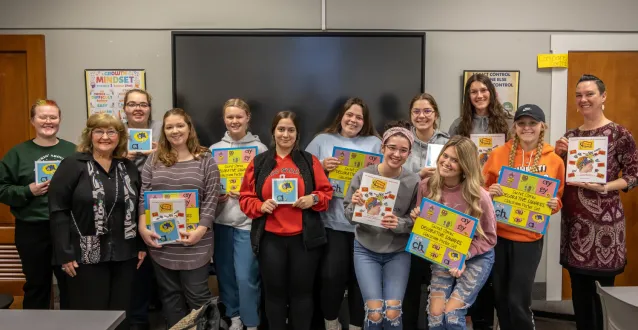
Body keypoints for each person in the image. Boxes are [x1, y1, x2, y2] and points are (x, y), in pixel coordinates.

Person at [554, 74, 638, 330]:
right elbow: (559, 176)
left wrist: (606, 186)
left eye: (589, 94)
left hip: (605, 227)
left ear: (603, 96)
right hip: (575, 225)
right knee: (579, 293)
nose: (583, 99)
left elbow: (634, 175)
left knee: (601, 295)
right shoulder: (570, 137)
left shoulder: (620, 134)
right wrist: (558, 155)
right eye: (579, 95)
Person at [48, 113, 144, 330]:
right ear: (89, 135)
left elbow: (138, 207)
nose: (105, 137)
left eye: (111, 132)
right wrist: (64, 253)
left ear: (119, 137)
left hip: (124, 251)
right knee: (90, 315)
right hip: (85, 252)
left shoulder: (126, 166)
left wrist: (140, 246)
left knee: (121, 313)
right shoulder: (73, 164)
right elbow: (58, 210)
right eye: (99, 131)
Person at [239, 111, 333, 330]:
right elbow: (245, 198)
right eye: (281, 129)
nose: (285, 134)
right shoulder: (260, 162)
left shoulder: (310, 161)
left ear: (297, 133)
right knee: (274, 295)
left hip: (304, 240)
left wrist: (313, 198)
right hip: (270, 240)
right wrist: (260, 206)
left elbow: (326, 194)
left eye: (291, 130)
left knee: (302, 294)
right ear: (273, 131)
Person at [482, 104, 565, 330]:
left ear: (542, 126)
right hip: (498, 236)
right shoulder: (498, 154)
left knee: (518, 299)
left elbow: (557, 198)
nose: (527, 128)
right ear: (515, 127)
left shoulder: (554, 160)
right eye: (521, 123)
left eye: (532, 123)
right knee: (500, 296)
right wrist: (490, 192)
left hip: (529, 238)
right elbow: (480, 189)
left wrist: (553, 204)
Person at [138, 108, 221, 328]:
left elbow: (212, 199)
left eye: (180, 125)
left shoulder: (205, 159)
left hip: (196, 242)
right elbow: (143, 196)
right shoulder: (153, 160)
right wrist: (143, 227)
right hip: (161, 241)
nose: (175, 131)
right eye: (169, 127)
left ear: (189, 128)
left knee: (198, 296)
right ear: (163, 131)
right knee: (170, 296)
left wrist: (200, 230)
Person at [305, 97, 381, 330]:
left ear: (365, 121)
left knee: (362, 280)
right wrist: (321, 167)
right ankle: (331, 323)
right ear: (341, 116)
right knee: (331, 277)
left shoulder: (376, 143)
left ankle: (357, 325)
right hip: (333, 222)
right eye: (350, 115)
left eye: (359, 117)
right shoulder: (322, 140)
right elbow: (302, 175)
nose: (354, 120)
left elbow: (388, 177)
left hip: (365, 224)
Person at [411, 136, 497, 330]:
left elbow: (489, 238)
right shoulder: (426, 186)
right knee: (435, 315)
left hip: (476, 255)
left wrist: (463, 256)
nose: (447, 162)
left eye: (455, 160)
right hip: (444, 254)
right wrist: (417, 220)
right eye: (446, 156)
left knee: (452, 313)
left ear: (465, 166)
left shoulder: (479, 196)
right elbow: (425, 230)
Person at [344, 121, 419, 330]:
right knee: (375, 312)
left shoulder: (414, 182)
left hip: (398, 251)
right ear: (382, 148)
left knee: (393, 311)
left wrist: (400, 223)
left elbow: (417, 221)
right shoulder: (363, 176)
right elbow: (349, 215)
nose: (397, 154)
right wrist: (357, 206)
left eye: (403, 150)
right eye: (392, 148)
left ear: (409, 153)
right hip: (366, 250)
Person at [0, 99, 75, 310]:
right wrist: (27, 191)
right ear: (33, 120)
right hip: (31, 228)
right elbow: (1, 189)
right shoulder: (17, 153)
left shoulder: (73, 151)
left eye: (53, 117)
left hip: (67, 228)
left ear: (59, 120)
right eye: (43, 116)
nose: (48, 121)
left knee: (71, 285)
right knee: (36, 286)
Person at [210, 98, 268, 330]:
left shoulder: (260, 149)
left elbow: (266, 188)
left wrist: (249, 193)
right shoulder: (214, 150)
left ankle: (251, 321)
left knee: (246, 277)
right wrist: (217, 194)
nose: (234, 121)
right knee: (225, 274)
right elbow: (207, 187)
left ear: (247, 118)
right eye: (230, 117)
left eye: (238, 116)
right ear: (224, 119)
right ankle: (233, 316)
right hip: (221, 220)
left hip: (248, 222)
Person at [402, 93, 449, 330]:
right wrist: (416, 176)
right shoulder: (402, 143)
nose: (422, 116)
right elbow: (391, 180)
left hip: (439, 226)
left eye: (427, 111)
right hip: (406, 225)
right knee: (409, 286)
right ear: (411, 116)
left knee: (437, 286)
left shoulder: (448, 143)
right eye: (416, 112)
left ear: (436, 114)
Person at [122, 88, 162, 330]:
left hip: (158, 200)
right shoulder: (114, 132)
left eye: (143, 104)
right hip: (124, 203)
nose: (138, 108)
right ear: (124, 108)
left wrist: (161, 152)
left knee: (158, 254)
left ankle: (157, 308)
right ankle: (136, 316)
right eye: (132, 104)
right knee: (135, 261)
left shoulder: (162, 128)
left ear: (149, 107)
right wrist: (126, 154)